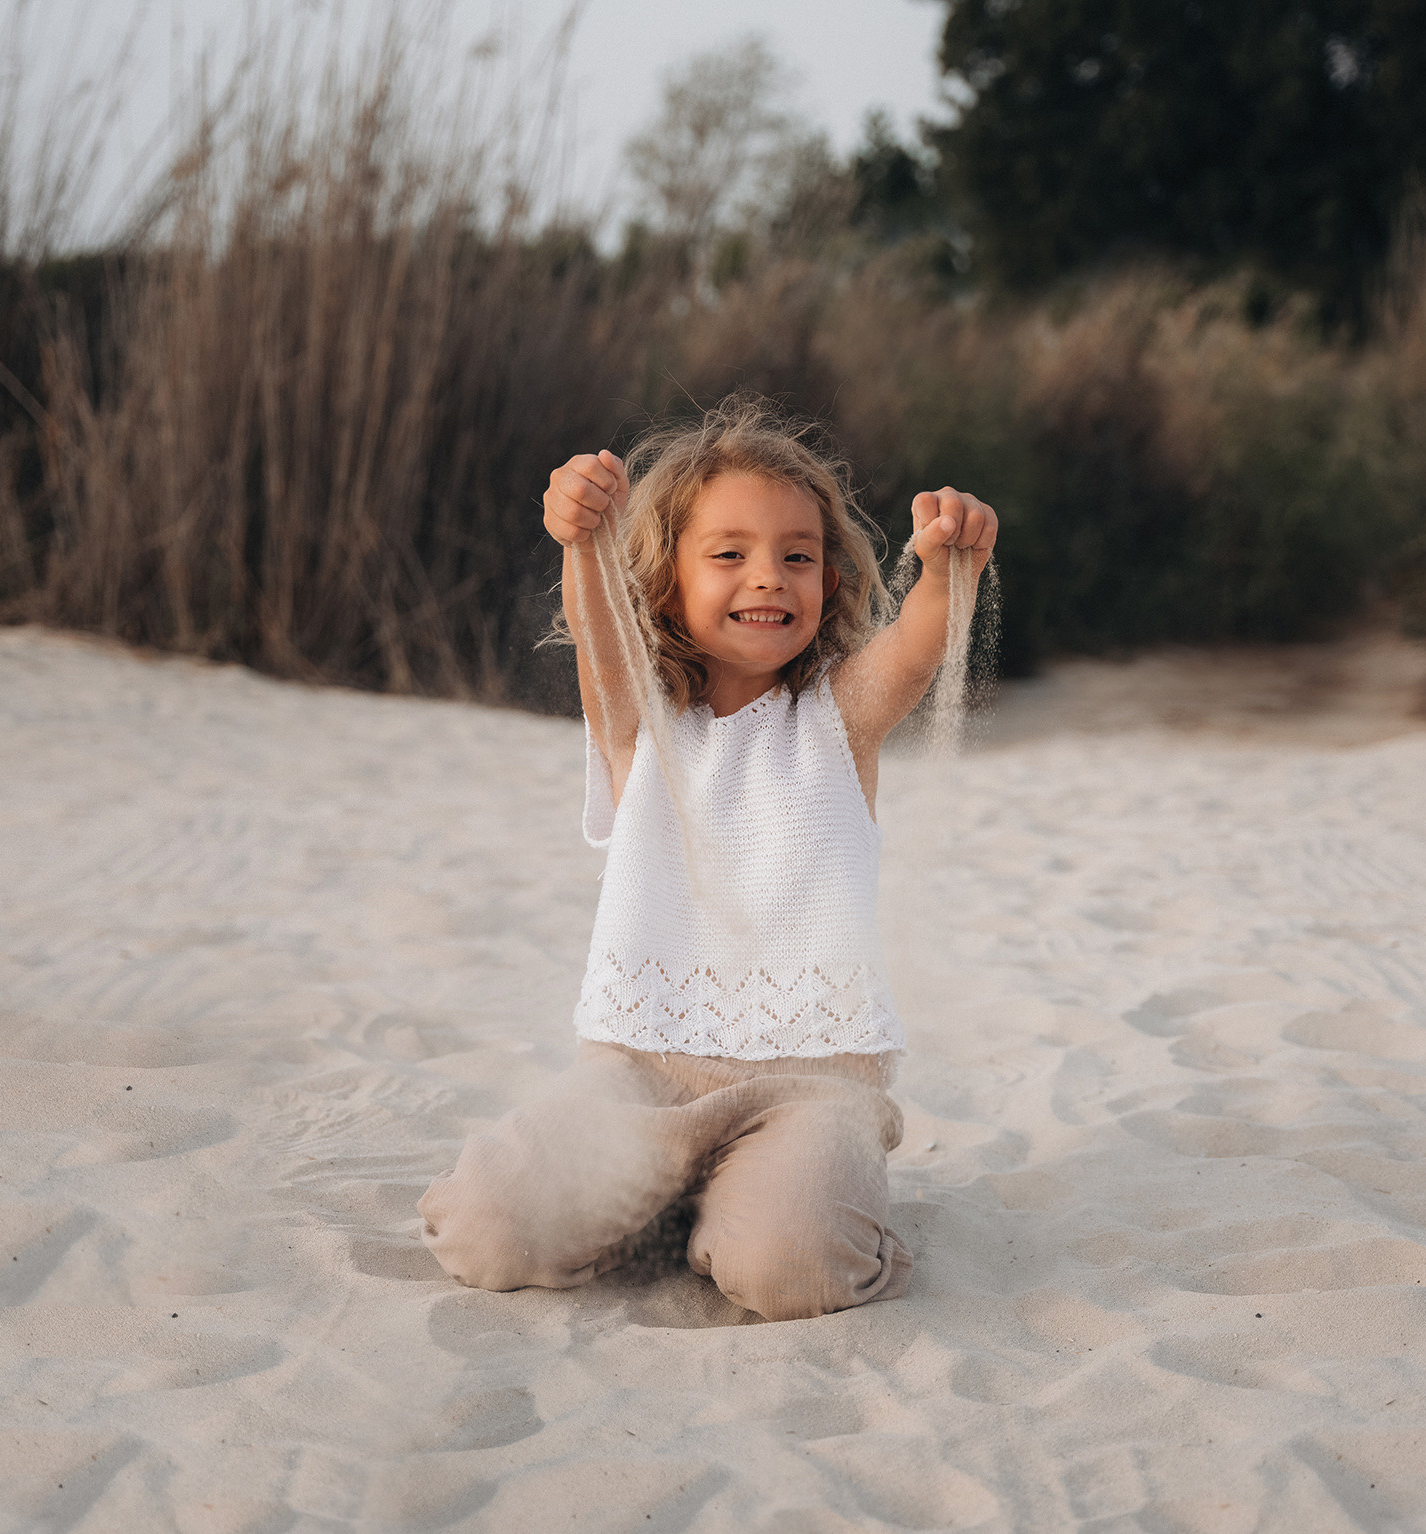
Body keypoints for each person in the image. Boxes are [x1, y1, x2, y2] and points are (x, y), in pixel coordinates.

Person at [417, 395, 997, 1321]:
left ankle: (758, 1198)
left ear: (831, 584)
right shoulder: (641, 727)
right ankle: (677, 1193)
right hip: (638, 1073)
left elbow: (915, 660)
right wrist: (582, 536)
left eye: (797, 557)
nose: (767, 576)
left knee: (791, 1267)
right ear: (664, 583)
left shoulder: (834, 723)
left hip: (811, 1085)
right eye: (728, 554)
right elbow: (602, 629)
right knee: (488, 1229)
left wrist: (946, 567)